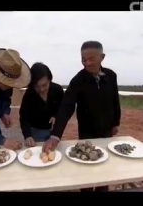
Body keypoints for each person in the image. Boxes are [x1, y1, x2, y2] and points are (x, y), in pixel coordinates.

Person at [43, 41, 121, 191]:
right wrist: (55, 135)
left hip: (106, 132)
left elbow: (115, 100)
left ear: (102, 57)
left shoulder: (111, 76)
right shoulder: (78, 80)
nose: (87, 63)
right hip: (87, 132)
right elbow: (66, 107)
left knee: (103, 172)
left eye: (91, 59)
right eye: (83, 59)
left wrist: (116, 122)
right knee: (86, 171)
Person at [19, 62, 64, 147]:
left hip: (55, 131)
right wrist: (27, 136)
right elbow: (23, 117)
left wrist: (56, 116)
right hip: (36, 132)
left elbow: (63, 108)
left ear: (49, 80)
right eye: (37, 86)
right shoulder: (29, 94)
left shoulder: (57, 90)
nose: (41, 89)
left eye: (44, 85)